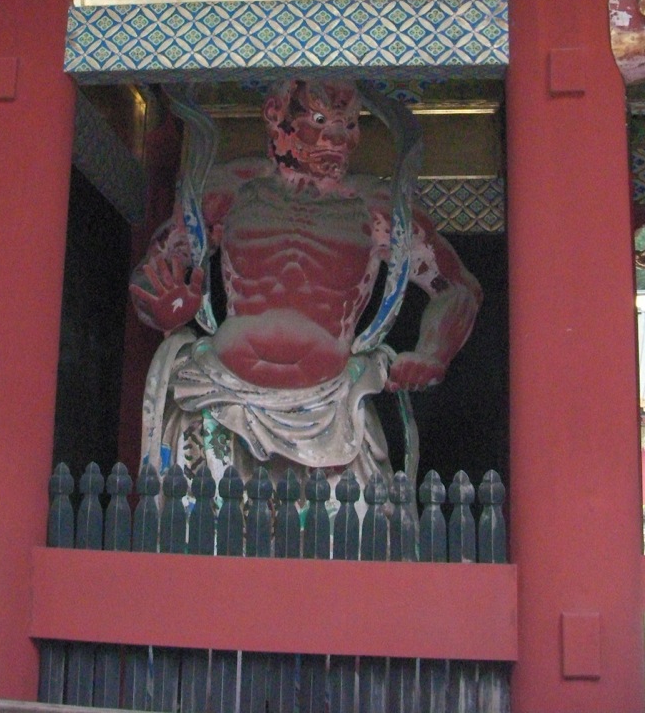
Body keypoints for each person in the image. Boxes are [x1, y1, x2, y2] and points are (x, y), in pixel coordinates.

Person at [130, 78, 482, 487]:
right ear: (276, 116)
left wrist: (432, 352)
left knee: (346, 521)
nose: (339, 139)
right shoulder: (231, 191)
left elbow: (457, 288)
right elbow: (155, 270)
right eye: (319, 120)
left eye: (348, 124)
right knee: (205, 521)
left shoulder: (377, 208)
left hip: (332, 403)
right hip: (219, 391)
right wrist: (163, 306)